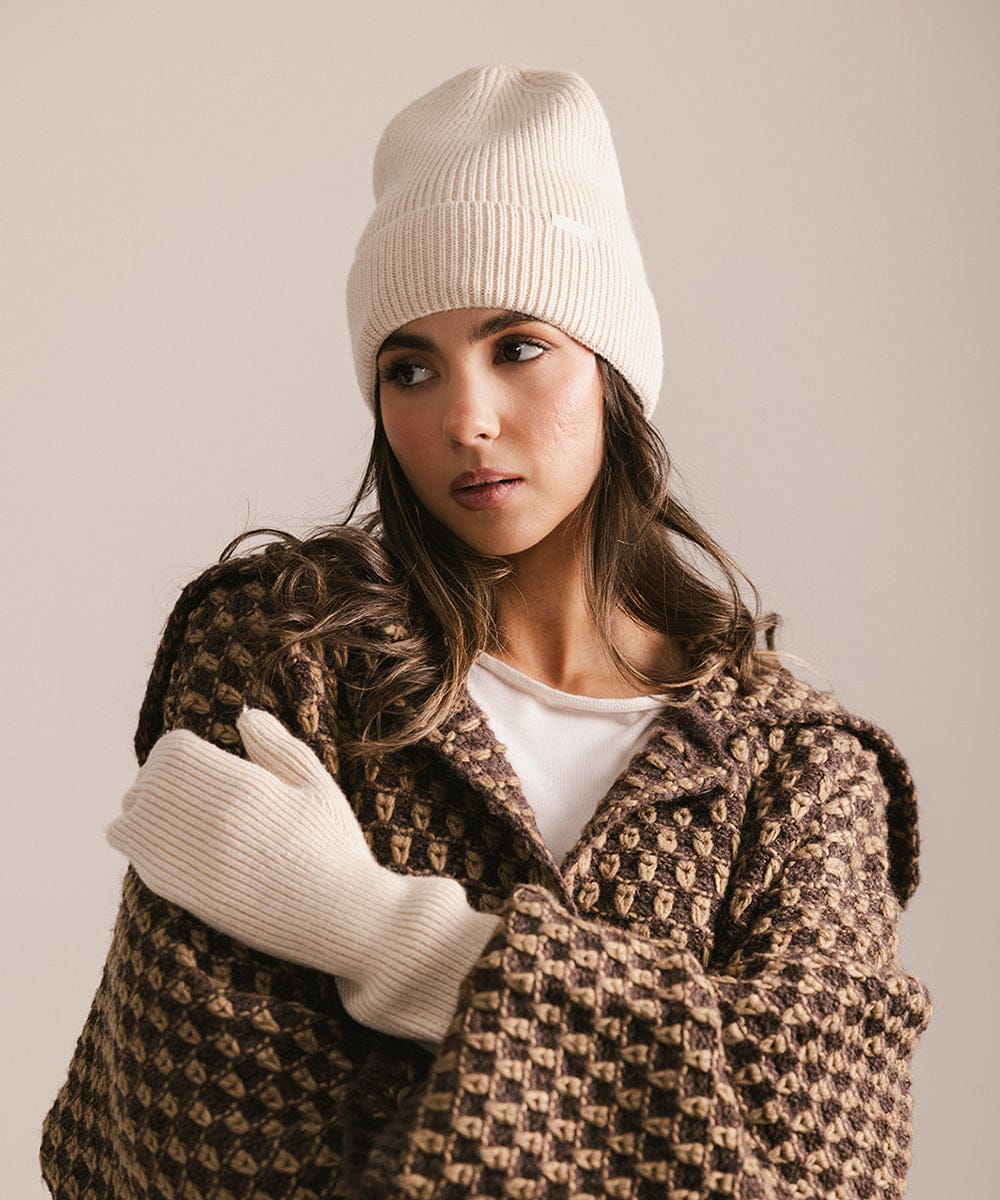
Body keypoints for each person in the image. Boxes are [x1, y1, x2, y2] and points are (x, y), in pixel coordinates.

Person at [40, 65, 930, 1199]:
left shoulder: (797, 771)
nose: (464, 417)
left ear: (612, 366)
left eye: (517, 347)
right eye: (409, 368)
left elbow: (826, 1179)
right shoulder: (290, 657)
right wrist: (679, 1077)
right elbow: (178, 1151)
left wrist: (380, 936)